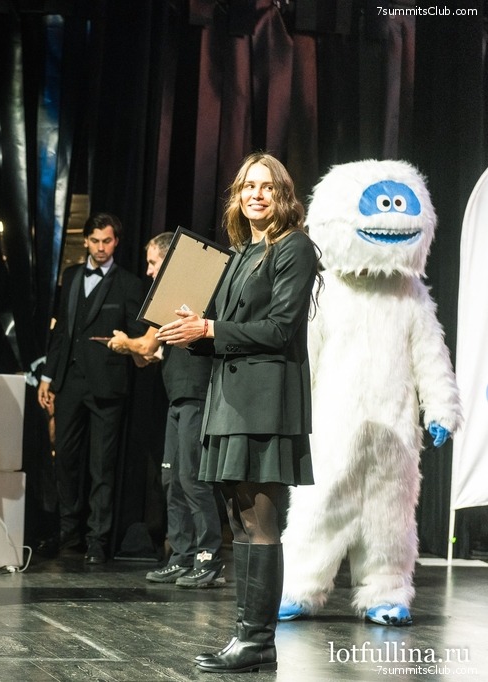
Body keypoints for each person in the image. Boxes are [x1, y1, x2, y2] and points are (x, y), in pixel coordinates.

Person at [156, 152, 318, 673]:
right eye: (248, 186)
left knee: (260, 522)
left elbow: (280, 329)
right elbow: (226, 329)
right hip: (228, 400)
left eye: (267, 187)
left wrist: (211, 329)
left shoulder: (294, 247)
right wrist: (194, 329)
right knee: (239, 522)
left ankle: (258, 640)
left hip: (266, 403)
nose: (256, 195)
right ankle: (247, 636)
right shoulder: (241, 253)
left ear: (283, 195)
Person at [109, 232, 224, 588]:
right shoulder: (170, 304)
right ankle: (181, 555)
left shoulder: (183, 295)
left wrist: (125, 342)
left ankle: (208, 557)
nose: (147, 270)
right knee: (171, 479)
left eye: (152, 262)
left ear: (169, 259)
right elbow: (150, 354)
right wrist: (135, 349)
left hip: (194, 395)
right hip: (176, 397)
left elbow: (145, 345)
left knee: (191, 478)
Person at [37, 212, 146, 564]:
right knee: (65, 460)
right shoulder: (71, 276)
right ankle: (68, 530)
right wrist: (48, 377)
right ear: (85, 241)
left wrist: (127, 344)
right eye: (95, 241)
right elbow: (61, 331)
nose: (101, 248)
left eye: (107, 241)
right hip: (69, 381)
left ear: (116, 242)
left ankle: (97, 538)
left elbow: (138, 337)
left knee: (102, 466)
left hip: (107, 384)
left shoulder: (128, 284)